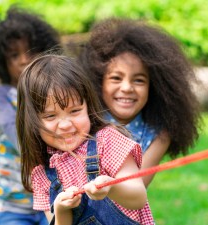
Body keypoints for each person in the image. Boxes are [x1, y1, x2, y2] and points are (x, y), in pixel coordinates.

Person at [16, 54, 155, 225]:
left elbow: (138, 197)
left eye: (75, 111)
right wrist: (61, 210)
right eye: (51, 116)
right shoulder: (42, 172)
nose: (66, 124)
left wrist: (111, 187)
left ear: (88, 107)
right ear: (32, 122)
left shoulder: (107, 141)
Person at [78, 17, 201, 188]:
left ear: (156, 87)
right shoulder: (85, 119)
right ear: (99, 82)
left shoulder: (159, 135)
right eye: (116, 78)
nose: (127, 88)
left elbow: (137, 189)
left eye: (139, 80)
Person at [0, 6, 60, 225]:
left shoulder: (52, 93)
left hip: (53, 198)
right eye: (14, 55)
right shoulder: (0, 96)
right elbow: (16, 135)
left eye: (30, 51)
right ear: (1, 62)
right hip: (12, 204)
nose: (24, 60)